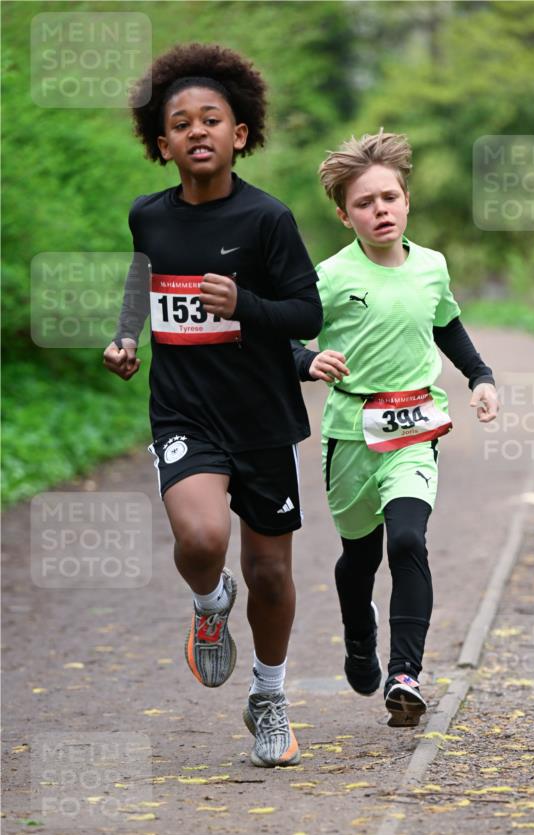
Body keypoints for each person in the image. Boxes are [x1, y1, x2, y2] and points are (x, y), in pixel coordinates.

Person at [103, 43, 322, 767]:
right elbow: (143, 280)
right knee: (200, 542)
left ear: (240, 134)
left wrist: (246, 304)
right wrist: (126, 335)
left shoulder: (267, 219)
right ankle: (207, 605)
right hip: (184, 413)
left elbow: (305, 312)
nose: (197, 131)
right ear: (160, 143)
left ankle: (269, 696)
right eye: (181, 123)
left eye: (212, 119)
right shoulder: (149, 216)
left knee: (270, 574)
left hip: (263, 418)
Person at [292, 131, 498, 726]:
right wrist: (307, 360)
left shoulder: (431, 266)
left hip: (414, 426)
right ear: (343, 214)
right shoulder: (327, 277)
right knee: (360, 557)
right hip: (351, 431)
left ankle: (404, 674)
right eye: (364, 202)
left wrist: (480, 376)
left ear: (406, 200)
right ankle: (361, 635)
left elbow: (447, 326)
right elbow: (285, 338)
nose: (379, 209)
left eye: (389, 197)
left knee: (408, 541)